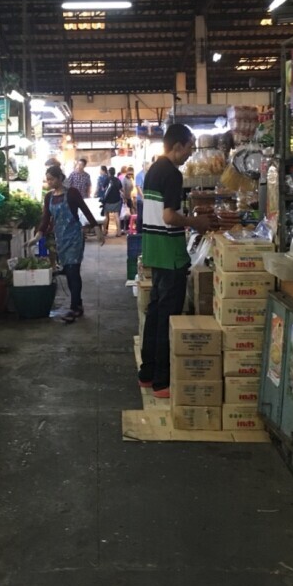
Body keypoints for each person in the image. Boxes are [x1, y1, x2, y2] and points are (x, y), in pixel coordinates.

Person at [137, 124, 210, 398]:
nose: (190, 153)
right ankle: (162, 382)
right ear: (178, 146)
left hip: (155, 251)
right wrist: (196, 222)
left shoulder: (153, 170)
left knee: (155, 314)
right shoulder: (172, 174)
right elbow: (169, 217)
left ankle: (147, 374)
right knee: (168, 318)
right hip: (170, 254)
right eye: (190, 147)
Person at [28, 165, 103, 322]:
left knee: (73, 271)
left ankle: (74, 308)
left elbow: (85, 210)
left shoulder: (72, 193)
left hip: (74, 237)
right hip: (60, 239)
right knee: (69, 272)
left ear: (59, 178)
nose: (49, 182)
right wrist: (37, 236)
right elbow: (45, 218)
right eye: (47, 179)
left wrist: (97, 229)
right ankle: (78, 305)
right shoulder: (49, 197)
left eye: (51, 179)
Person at [101, 167, 125, 237]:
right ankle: (119, 232)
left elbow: (103, 189)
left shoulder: (107, 179)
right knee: (117, 216)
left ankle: (104, 231)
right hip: (116, 200)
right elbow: (122, 190)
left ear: (109, 172)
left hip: (108, 201)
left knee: (106, 216)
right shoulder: (117, 180)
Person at [121, 167, 136, 234]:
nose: (130, 175)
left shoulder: (131, 179)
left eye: (131, 174)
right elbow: (123, 190)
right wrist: (124, 199)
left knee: (129, 213)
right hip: (124, 198)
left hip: (129, 197)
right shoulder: (124, 180)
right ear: (127, 172)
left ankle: (127, 227)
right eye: (129, 174)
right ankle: (122, 228)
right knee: (123, 213)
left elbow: (132, 189)